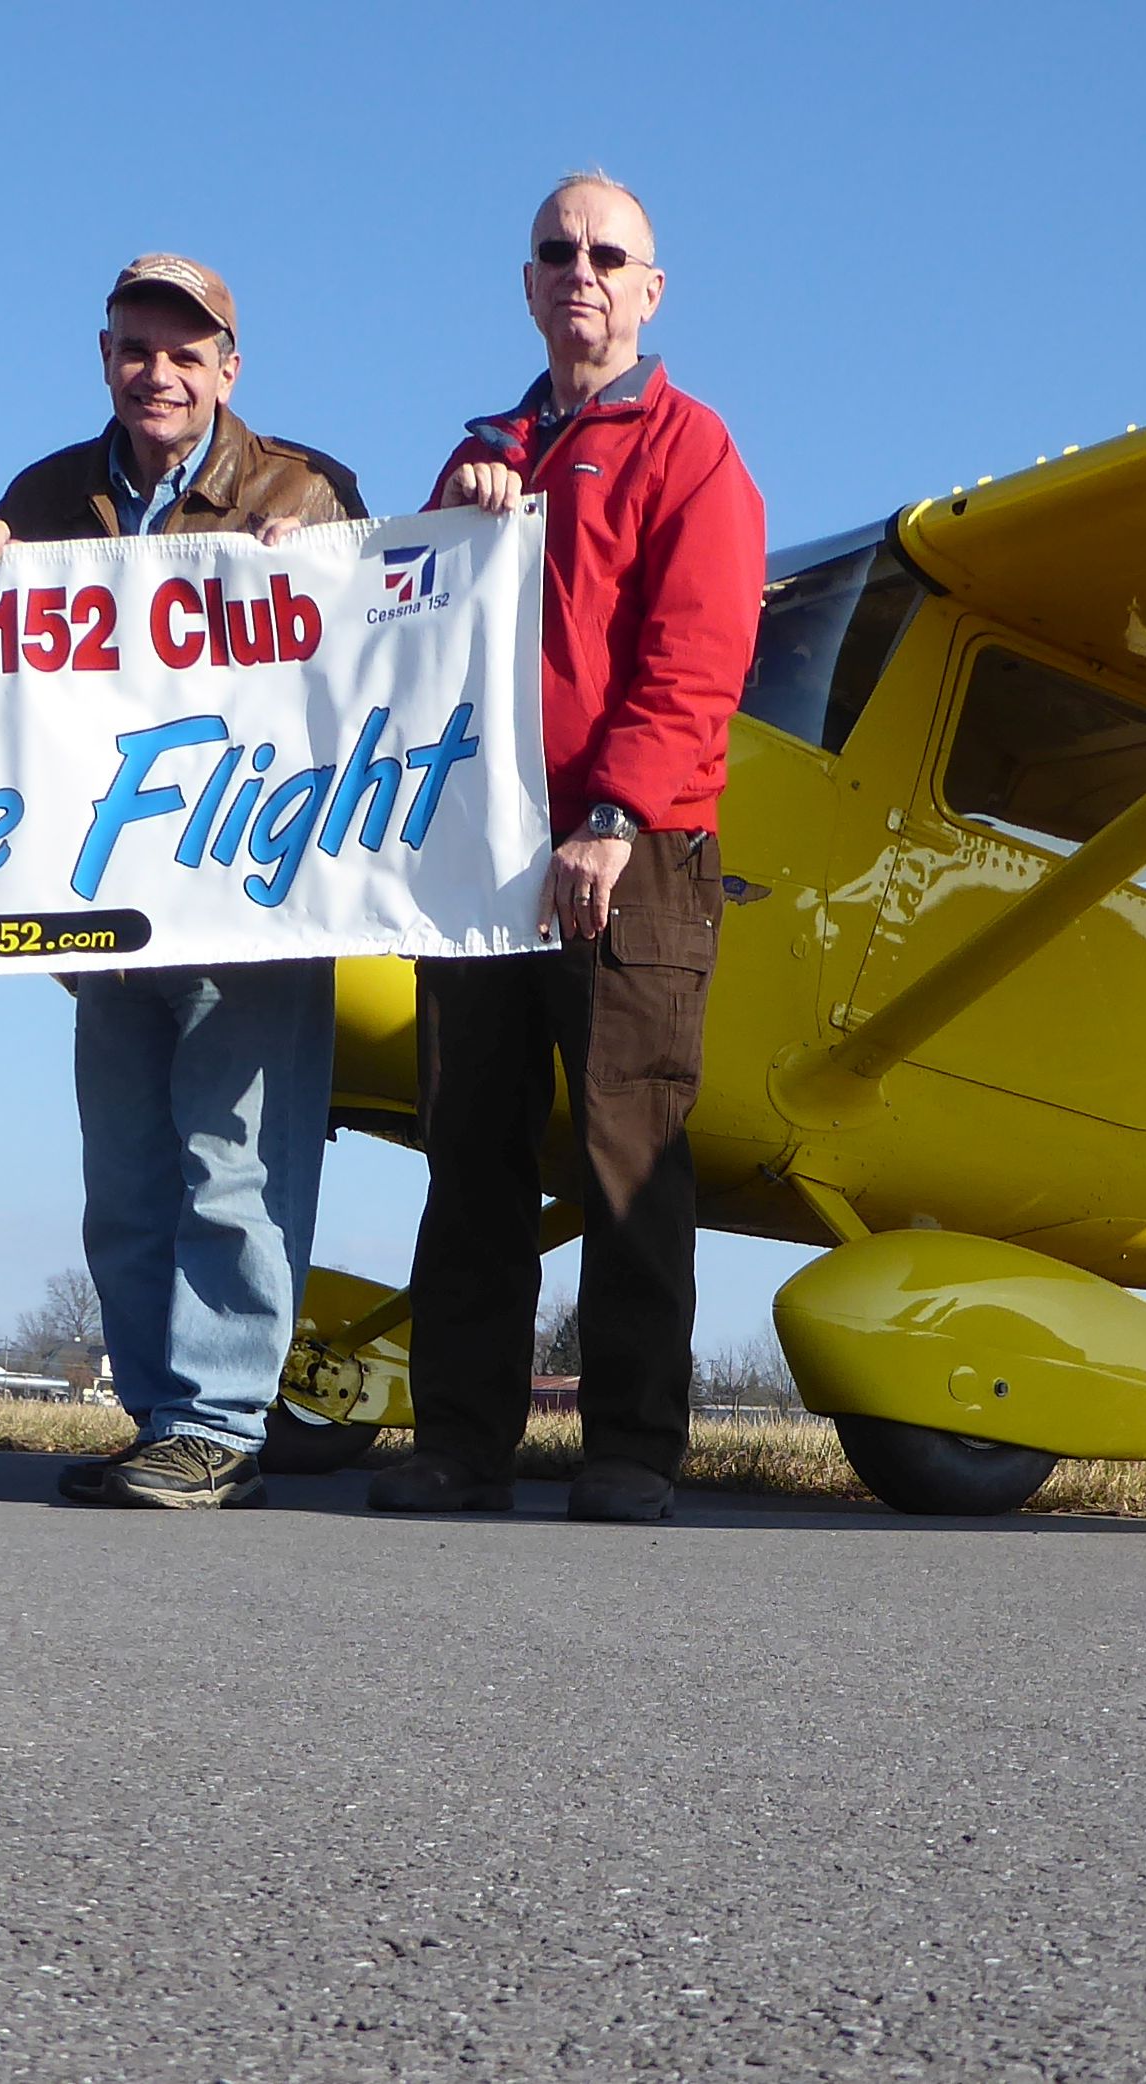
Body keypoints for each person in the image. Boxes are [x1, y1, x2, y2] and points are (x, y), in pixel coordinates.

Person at [0, 254, 364, 1510]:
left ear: (229, 368)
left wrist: (329, 569)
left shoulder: (309, 486)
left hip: (250, 893)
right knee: (123, 1171)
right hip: (103, 898)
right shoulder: (45, 493)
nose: (157, 371)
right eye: (135, 347)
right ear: (105, 356)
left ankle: (221, 1421)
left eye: (186, 351)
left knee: (231, 1162)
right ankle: (157, 1415)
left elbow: (389, 653)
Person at [370, 175, 765, 1524]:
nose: (580, 271)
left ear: (651, 290)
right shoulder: (480, 453)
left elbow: (695, 655)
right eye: (557, 251)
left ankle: (632, 1449)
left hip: (629, 852)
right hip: (480, 852)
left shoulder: (692, 448)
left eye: (609, 254)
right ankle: (462, 1442)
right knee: (468, 1150)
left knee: (626, 1151)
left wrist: (612, 816)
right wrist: (459, 514)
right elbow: (406, 632)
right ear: (529, 284)